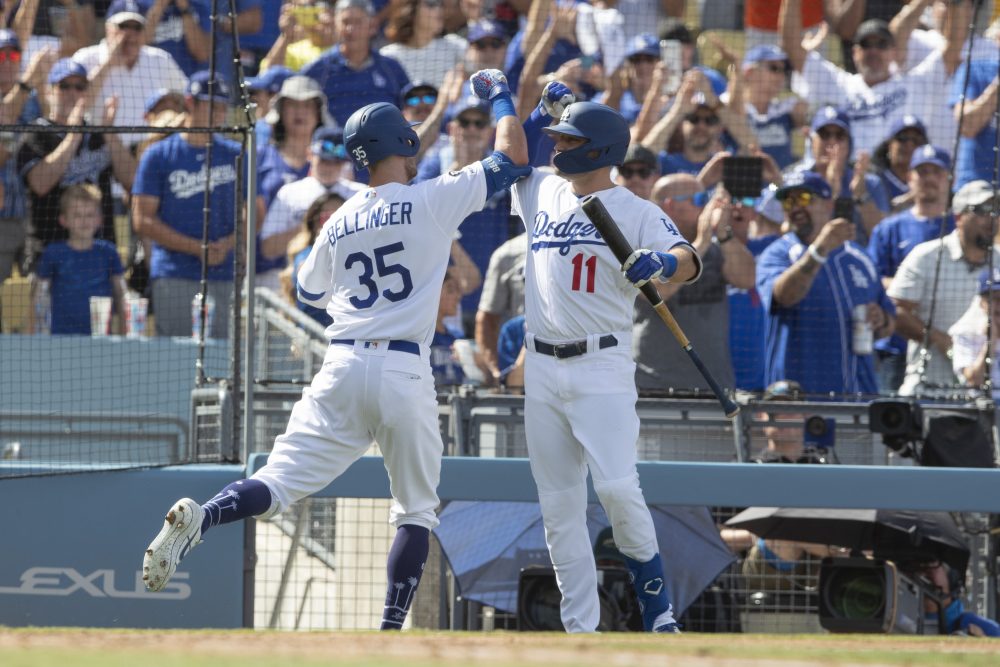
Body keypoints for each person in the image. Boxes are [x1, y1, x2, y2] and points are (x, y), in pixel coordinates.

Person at [141, 94, 531, 633]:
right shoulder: (432, 196)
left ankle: (205, 516)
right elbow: (514, 159)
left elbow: (308, 291)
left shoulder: (340, 216)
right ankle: (389, 632)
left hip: (342, 364)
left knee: (277, 481)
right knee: (415, 511)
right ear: (403, 141)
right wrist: (503, 98)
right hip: (403, 367)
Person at [476, 68, 702, 633]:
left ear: (599, 148)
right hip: (541, 365)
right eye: (557, 138)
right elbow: (514, 154)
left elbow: (689, 259)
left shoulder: (636, 209)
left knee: (619, 490)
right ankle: (581, 627)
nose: (557, 145)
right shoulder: (541, 187)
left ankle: (658, 614)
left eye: (568, 139)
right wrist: (526, 109)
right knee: (558, 506)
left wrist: (663, 263)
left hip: (601, 361)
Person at [757, 170, 895, 395]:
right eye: (788, 202)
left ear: (828, 204)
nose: (795, 207)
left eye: (803, 198)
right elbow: (784, 296)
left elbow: (889, 322)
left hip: (858, 396)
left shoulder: (859, 257)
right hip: (797, 399)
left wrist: (881, 319)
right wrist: (820, 249)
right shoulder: (777, 254)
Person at [131, 71, 244, 338]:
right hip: (174, 272)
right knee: (176, 354)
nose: (219, 114)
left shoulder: (236, 154)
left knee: (224, 354)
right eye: (211, 105)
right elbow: (142, 220)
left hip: (224, 272)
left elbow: (254, 211)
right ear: (190, 103)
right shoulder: (158, 155)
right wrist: (197, 248)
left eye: (223, 107)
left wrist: (227, 243)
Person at [634, 174, 755, 395]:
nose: (707, 207)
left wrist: (723, 234)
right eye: (699, 200)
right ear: (670, 206)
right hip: (654, 384)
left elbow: (746, 279)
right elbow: (657, 291)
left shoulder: (717, 248)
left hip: (713, 385)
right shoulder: (643, 247)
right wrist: (703, 240)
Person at [780, 0, 944, 157]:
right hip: (846, 171)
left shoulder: (913, 83)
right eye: (866, 44)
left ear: (893, 52)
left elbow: (952, 48)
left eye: (881, 44)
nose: (873, 51)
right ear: (855, 52)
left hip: (894, 172)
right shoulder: (838, 83)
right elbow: (791, 44)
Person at [17, 58, 136, 272]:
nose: (72, 93)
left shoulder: (99, 135)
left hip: (99, 252)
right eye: (64, 86)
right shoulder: (36, 133)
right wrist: (73, 135)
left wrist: (109, 132)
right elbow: (40, 184)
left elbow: (133, 181)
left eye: (79, 87)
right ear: (49, 92)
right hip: (49, 254)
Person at [888, 180, 1000, 397]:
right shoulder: (926, 256)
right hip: (930, 389)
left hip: (987, 394)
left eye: (996, 210)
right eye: (982, 210)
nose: (992, 217)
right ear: (958, 217)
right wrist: (942, 341)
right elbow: (896, 310)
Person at [867, 144, 954, 394]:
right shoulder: (889, 228)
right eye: (922, 172)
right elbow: (872, 280)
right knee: (892, 416)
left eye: (936, 172)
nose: (929, 178)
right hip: (896, 347)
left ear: (950, 179)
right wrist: (912, 286)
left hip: (950, 346)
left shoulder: (960, 227)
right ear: (909, 178)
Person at [259, 126, 364, 291]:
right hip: (298, 279)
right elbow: (268, 248)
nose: (329, 167)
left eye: (336, 162)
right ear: (310, 154)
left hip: (350, 281)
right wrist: (310, 225)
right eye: (324, 160)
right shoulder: (290, 193)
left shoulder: (360, 194)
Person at [72, 0, 189, 149]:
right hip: (99, 151)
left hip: (149, 149)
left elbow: (188, 97)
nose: (130, 33)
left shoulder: (159, 58)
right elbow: (74, 106)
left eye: (137, 27)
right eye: (123, 26)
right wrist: (108, 64)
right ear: (108, 28)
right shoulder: (85, 58)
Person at [29, 184, 126, 335]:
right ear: (64, 220)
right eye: (77, 215)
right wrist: (33, 338)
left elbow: (121, 294)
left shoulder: (109, 252)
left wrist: (124, 335)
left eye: (89, 215)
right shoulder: (53, 253)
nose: (84, 221)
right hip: (61, 339)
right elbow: (38, 298)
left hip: (101, 339)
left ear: (99, 220)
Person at [300, 0, 410, 127]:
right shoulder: (319, 69)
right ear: (335, 25)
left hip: (386, 139)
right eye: (345, 22)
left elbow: (410, 107)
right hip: (335, 139)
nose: (350, 29)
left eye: (358, 22)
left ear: (372, 26)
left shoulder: (391, 68)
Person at [281, 191, 346, 327]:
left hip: (344, 331)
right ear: (315, 223)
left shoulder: (355, 252)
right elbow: (306, 272)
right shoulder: (306, 254)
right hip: (312, 334)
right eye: (326, 218)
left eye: (339, 217)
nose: (333, 223)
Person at [474, 231, 527, 386]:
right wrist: (496, 372)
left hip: (581, 353)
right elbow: (486, 319)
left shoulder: (586, 242)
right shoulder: (509, 252)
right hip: (522, 358)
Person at [379, 0, 467, 88]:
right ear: (410, 9)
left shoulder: (455, 46)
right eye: (431, 3)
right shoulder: (388, 55)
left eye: (441, 4)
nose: (439, 9)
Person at [950, 267, 1000, 398]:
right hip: (982, 406)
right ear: (982, 302)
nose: (999, 305)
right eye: (993, 299)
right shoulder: (965, 333)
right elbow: (974, 380)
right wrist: (990, 342)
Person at [870, 114, 929, 210]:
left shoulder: (931, 181)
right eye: (902, 138)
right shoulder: (874, 178)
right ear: (889, 145)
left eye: (917, 140)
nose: (909, 145)